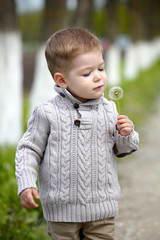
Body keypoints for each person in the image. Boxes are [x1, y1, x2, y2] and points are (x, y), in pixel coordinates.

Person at [15, 28, 139, 240]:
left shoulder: (109, 109)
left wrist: (125, 134)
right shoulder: (46, 112)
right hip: (61, 211)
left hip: (102, 208)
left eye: (101, 68)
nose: (98, 77)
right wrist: (26, 182)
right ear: (62, 80)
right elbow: (28, 149)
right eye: (87, 73)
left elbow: (123, 150)